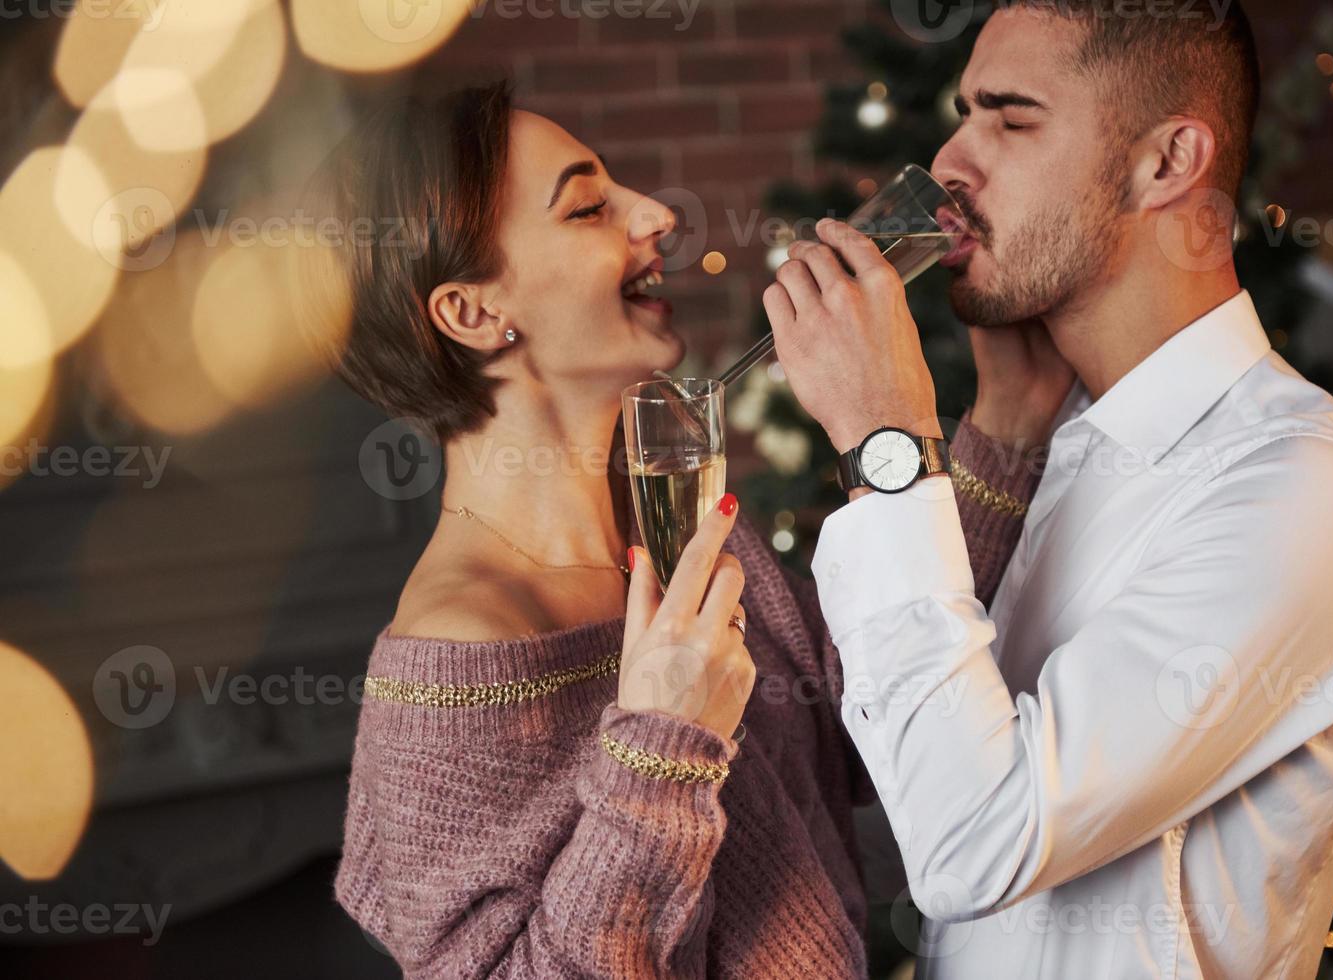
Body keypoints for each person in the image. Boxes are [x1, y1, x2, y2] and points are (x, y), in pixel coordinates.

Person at [304, 83, 1035, 978]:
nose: (655, 215)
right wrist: (662, 747)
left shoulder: (674, 530)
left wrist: (1001, 425)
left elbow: (859, 722)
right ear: (472, 313)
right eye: (587, 208)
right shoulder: (458, 655)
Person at [763, 3, 1333, 978]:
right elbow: (885, 750)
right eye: (961, 112)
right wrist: (1002, 430)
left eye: (1010, 119)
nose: (949, 160)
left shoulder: (1299, 490)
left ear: (1165, 162)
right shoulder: (1062, 433)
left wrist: (884, 441)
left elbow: (971, 843)